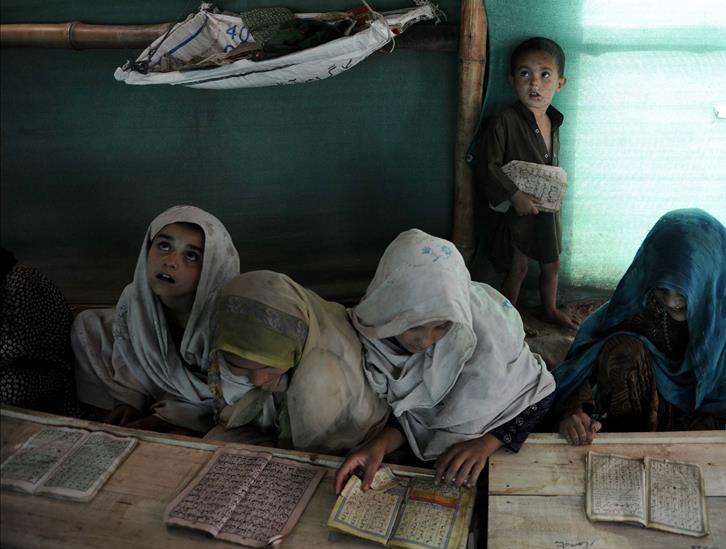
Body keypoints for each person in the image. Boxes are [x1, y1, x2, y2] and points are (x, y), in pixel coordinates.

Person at [552, 209, 726, 501]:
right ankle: (629, 449)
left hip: (709, 415)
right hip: (641, 417)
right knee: (621, 349)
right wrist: (575, 411)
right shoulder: (639, 302)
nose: (671, 300)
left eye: (684, 288)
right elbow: (581, 355)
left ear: (710, 278)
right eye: (664, 287)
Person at [334, 229, 555, 493]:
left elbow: (538, 396)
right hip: (444, 472)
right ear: (390, 309)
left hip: (495, 454)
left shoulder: (489, 335)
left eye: (441, 327)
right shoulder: (378, 336)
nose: (425, 341)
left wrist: (486, 443)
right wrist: (379, 444)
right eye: (412, 327)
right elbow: (414, 415)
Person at [71, 205, 239, 434]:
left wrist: (168, 418)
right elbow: (131, 351)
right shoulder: (134, 298)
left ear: (211, 268)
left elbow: (233, 392)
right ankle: (124, 407)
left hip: (205, 396)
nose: (170, 261)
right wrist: (129, 397)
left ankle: (175, 416)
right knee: (88, 324)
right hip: (162, 383)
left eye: (191, 255)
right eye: (164, 245)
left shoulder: (228, 319)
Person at [207, 270, 390, 453]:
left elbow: (316, 453)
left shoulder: (325, 372)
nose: (258, 381)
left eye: (270, 366)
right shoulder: (223, 345)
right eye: (239, 367)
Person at [474, 36, 576, 329]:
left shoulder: (553, 121)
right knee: (517, 266)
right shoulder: (503, 122)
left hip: (547, 205)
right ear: (511, 79)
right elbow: (487, 166)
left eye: (545, 75)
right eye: (525, 73)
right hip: (517, 207)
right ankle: (506, 319)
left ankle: (550, 308)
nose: (535, 83)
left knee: (551, 262)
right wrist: (514, 195)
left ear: (560, 83)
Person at [1, 248, 80, 416]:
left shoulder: (20, 278)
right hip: (15, 367)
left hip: (47, 369)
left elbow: (18, 345)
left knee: (10, 386)